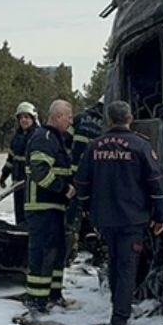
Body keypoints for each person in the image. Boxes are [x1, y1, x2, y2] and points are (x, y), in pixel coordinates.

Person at [74, 100, 163, 325]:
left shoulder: (95, 146)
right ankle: (120, 321)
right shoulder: (140, 146)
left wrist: (86, 208)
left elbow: (82, 182)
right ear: (130, 118)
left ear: (109, 120)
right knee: (127, 267)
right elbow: (156, 183)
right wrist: (160, 215)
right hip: (132, 218)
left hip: (105, 218)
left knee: (114, 262)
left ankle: (118, 307)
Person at [23, 99, 74, 312]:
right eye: (69, 117)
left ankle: (54, 293)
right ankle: (36, 300)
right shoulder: (43, 138)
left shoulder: (56, 138)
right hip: (42, 206)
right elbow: (39, 171)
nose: (71, 121)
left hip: (54, 207)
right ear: (58, 116)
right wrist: (64, 189)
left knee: (57, 251)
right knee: (42, 253)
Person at [66, 101, 105, 261]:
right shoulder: (106, 124)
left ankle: (70, 251)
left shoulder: (79, 119)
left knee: (73, 213)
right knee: (94, 213)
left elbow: (66, 143)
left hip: (75, 174)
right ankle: (97, 251)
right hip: (95, 177)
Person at [0, 101, 38, 225]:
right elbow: (10, 160)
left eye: (26, 117)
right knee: (20, 217)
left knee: (31, 217)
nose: (23, 120)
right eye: (21, 117)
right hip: (17, 185)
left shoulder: (37, 137)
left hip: (32, 186)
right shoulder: (16, 138)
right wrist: (4, 176)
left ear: (33, 118)